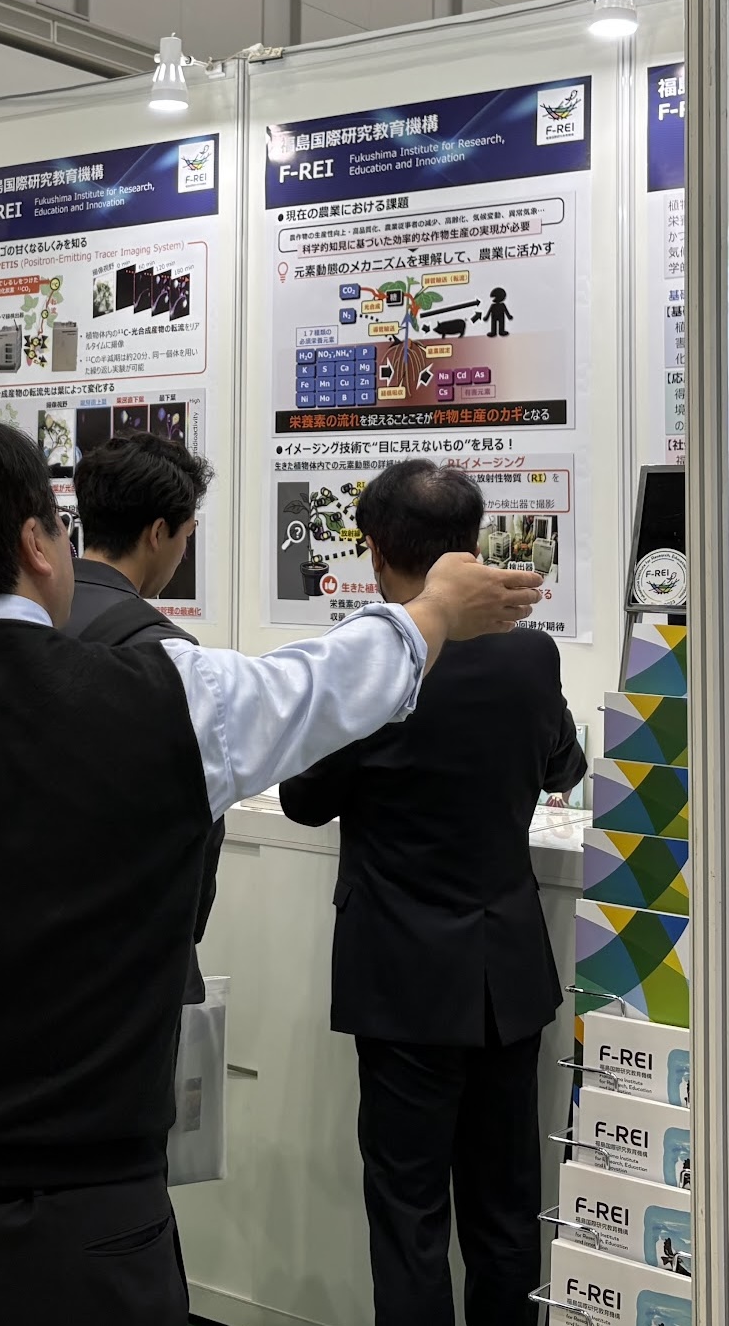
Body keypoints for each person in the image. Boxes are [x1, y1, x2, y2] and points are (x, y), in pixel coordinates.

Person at [0, 414, 542, 1326]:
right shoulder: (179, 701)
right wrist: (433, 610)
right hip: (92, 1244)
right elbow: (328, 682)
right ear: (35, 544)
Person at [279, 460, 586, 1326]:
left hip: (401, 977)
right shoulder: (529, 653)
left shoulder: (369, 660)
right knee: (505, 1208)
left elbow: (303, 799)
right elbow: (564, 765)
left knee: (409, 1215)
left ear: (375, 552)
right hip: (504, 977)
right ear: (470, 547)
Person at [61, 432, 220, 1004]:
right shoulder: (164, 653)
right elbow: (199, 821)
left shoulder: (21, 618)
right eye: (185, 536)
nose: (182, 554)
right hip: (129, 962)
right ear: (158, 533)